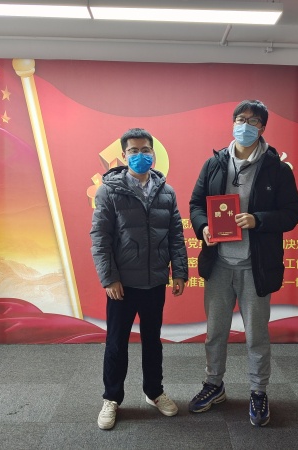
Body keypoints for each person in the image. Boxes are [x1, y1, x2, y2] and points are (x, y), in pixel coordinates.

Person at [188, 100, 298, 427]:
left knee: (256, 335)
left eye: (253, 121)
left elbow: (292, 213)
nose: (245, 125)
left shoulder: (277, 169)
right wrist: (203, 227)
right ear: (233, 123)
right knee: (215, 332)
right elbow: (196, 204)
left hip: (256, 267)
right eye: (241, 119)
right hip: (219, 264)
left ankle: (258, 391)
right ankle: (214, 384)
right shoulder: (214, 164)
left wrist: (258, 220)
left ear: (262, 127)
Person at [91, 128, 188, 430]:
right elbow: (100, 239)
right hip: (122, 284)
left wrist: (180, 271)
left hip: (155, 281)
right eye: (133, 151)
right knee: (116, 343)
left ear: (153, 153)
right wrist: (109, 279)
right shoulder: (109, 191)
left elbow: (175, 235)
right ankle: (111, 398)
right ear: (124, 155)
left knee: (152, 342)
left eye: (145, 150)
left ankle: (154, 392)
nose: (140, 155)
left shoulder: (166, 192)